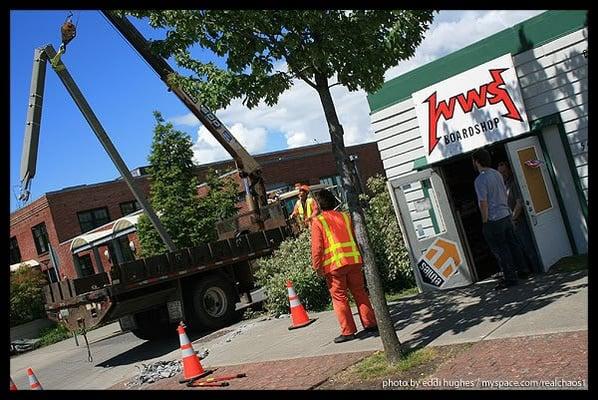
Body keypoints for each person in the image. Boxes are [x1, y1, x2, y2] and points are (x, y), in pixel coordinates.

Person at [310, 189, 378, 343]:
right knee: (360, 293)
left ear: (318, 204)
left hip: (334, 266)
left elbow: (317, 248)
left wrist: (317, 267)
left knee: (340, 298)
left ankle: (348, 332)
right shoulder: (345, 217)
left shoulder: (318, 221)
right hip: (353, 261)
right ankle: (370, 324)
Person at [472, 149, 523, 290]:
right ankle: (523, 270)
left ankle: (510, 278)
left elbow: (483, 203)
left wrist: (485, 221)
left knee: (501, 250)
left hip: (494, 218)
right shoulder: (497, 174)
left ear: (477, 161)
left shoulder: (480, 179)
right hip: (506, 214)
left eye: (473, 161)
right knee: (513, 245)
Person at [497, 161, 541, 275]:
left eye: (504, 171)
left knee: (528, 248)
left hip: (519, 221)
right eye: (500, 173)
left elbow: (519, 203)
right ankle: (528, 272)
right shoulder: (503, 186)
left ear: (509, 170)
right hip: (512, 223)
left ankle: (538, 271)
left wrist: (512, 219)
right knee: (520, 250)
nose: (503, 174)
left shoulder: (514, 184)